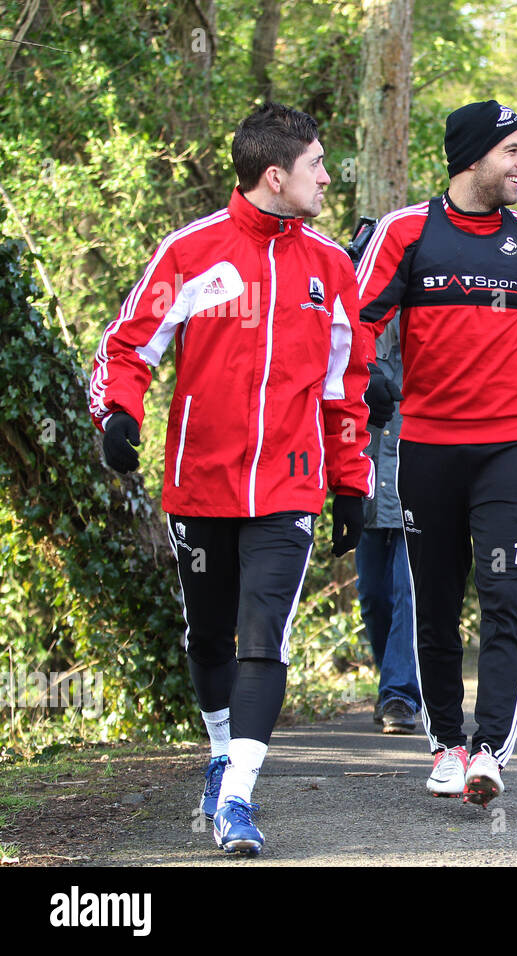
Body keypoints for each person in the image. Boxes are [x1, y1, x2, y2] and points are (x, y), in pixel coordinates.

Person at [89, 102, 375, 856]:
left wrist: (351, 482)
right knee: (209, 636)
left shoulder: (331, 266)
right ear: (275, 175)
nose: (325, 178)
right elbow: (128, 347)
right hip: (200, 484)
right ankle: (220, 754)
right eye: (316, 165)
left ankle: (239, 799)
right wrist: (120, 417)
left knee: (265, 640)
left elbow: (349, 387)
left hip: (290, 486)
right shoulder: (191, 253)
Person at [356, 100, 517, 808]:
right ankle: (446, 743)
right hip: (426, 450)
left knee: (506, 602)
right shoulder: (406, 232)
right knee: (436, 606)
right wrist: (374, 380)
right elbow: (354, 326)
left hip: (512, 450)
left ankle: (489, 751)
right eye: (513, 151)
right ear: (474, 157)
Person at [354, 314, 421, 734]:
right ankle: (390, 679)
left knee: (408, 591)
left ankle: (400, 692)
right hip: (366, 476)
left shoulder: (428, 321)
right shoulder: (355, 332)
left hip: (418, 472)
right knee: (373, 595)